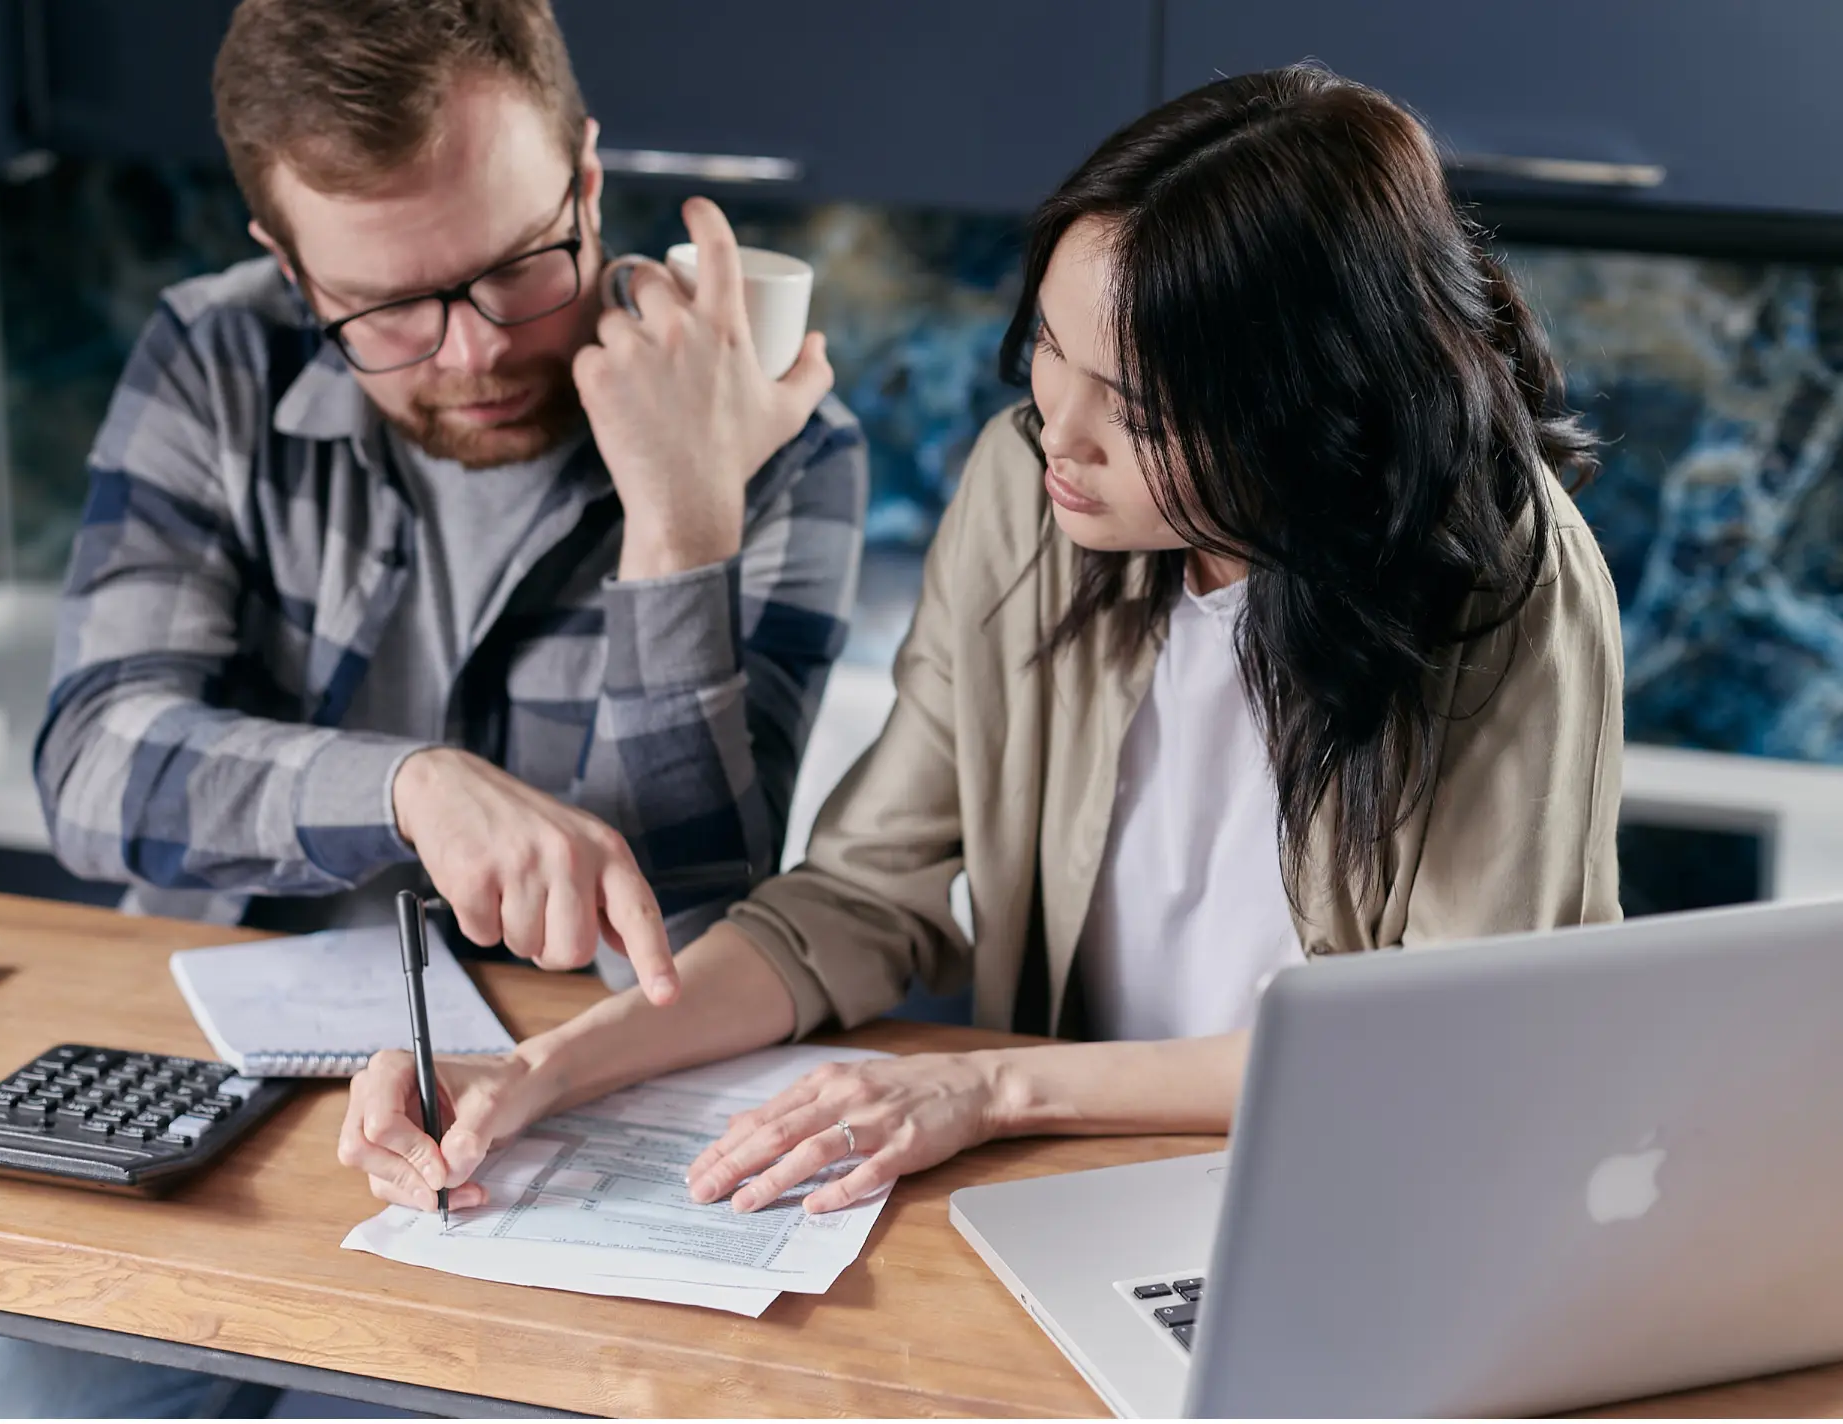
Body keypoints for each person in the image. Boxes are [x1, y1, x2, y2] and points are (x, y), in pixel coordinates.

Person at [340, 65, 1624, 1225]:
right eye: (1050, 357)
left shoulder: (1506, 580)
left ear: (1307, 410)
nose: (1055, 434)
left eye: (1133, 409)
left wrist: (989, 1085)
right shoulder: (1027, 492)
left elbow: (1440, 1048)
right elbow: (854, 898)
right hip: (1072, 1186)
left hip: (1357, 1202)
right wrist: (541, 1070)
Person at [0, 0, 865, 1414]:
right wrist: (407, 786)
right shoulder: (215, 359)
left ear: (585, 172)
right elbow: (93, 769)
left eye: (517, 266)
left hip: (546, 1128)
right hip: (214, 1110)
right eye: (387, 308)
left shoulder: (773, 430)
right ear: (289, 265)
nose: (472, 352)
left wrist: (681, 523)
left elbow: (692, 934)